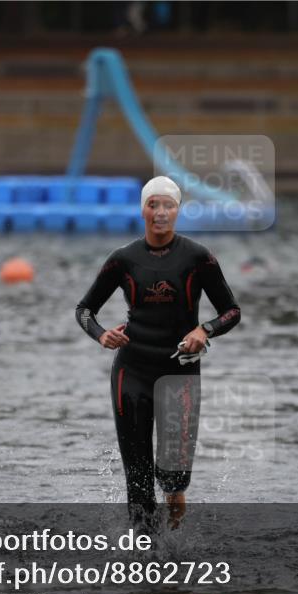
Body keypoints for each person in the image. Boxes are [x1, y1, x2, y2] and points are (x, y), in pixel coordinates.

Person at [76, 176, 241, 531]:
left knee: (173, 482)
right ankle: (145, 564)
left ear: (178, 211)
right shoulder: (122, 259)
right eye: (153, 205)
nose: (160, 212)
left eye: (168, 205)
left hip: (179, 374)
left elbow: (232, 312)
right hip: (131, 372)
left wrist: (204, 330)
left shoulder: (198, 258)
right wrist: (101, 335)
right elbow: (85, 310)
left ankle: (174, 553)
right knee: (137, 481)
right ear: (143, 210)